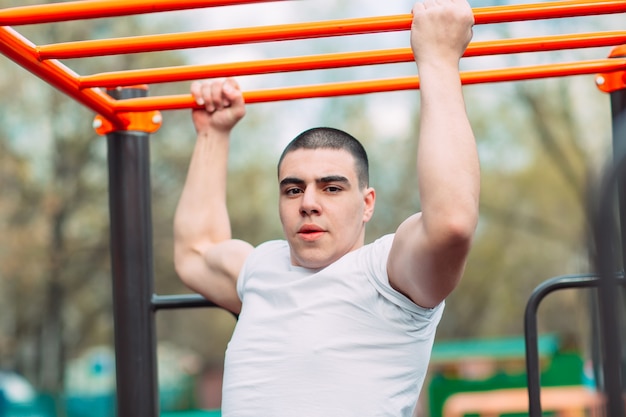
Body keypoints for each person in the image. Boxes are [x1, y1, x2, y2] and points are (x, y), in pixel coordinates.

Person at [174, 0, 479, 415]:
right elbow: (195, 253)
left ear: (366, 203)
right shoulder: (262, 268)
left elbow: (451, 225)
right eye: (293, 189)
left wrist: (439, 60)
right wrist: (213, 135)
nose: (309, 204)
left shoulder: (388, 277)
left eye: (332, 188)